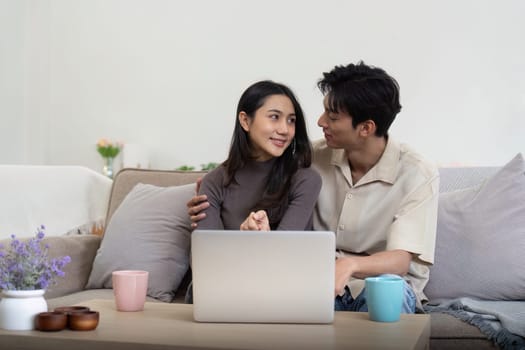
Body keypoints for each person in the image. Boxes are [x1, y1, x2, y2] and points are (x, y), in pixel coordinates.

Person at [188, 62, 439, 313]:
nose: (320, 122)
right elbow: (254, 161)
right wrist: (208, 186)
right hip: (318, 283)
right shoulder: (313, 156)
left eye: (332, 117)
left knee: (386, 294)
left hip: (382, 284)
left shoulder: (417, 173)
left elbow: (401, 260)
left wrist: (348, 265)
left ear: (365, 128)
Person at [197, 80, 321, 232]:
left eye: (291, 120)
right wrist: (246, 241)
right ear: (245, 121)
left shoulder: (305, 179)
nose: (285, 130)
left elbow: (288, 249)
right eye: (274, 117)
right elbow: (207, 251)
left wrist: (260, 240)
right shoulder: (214, 181)